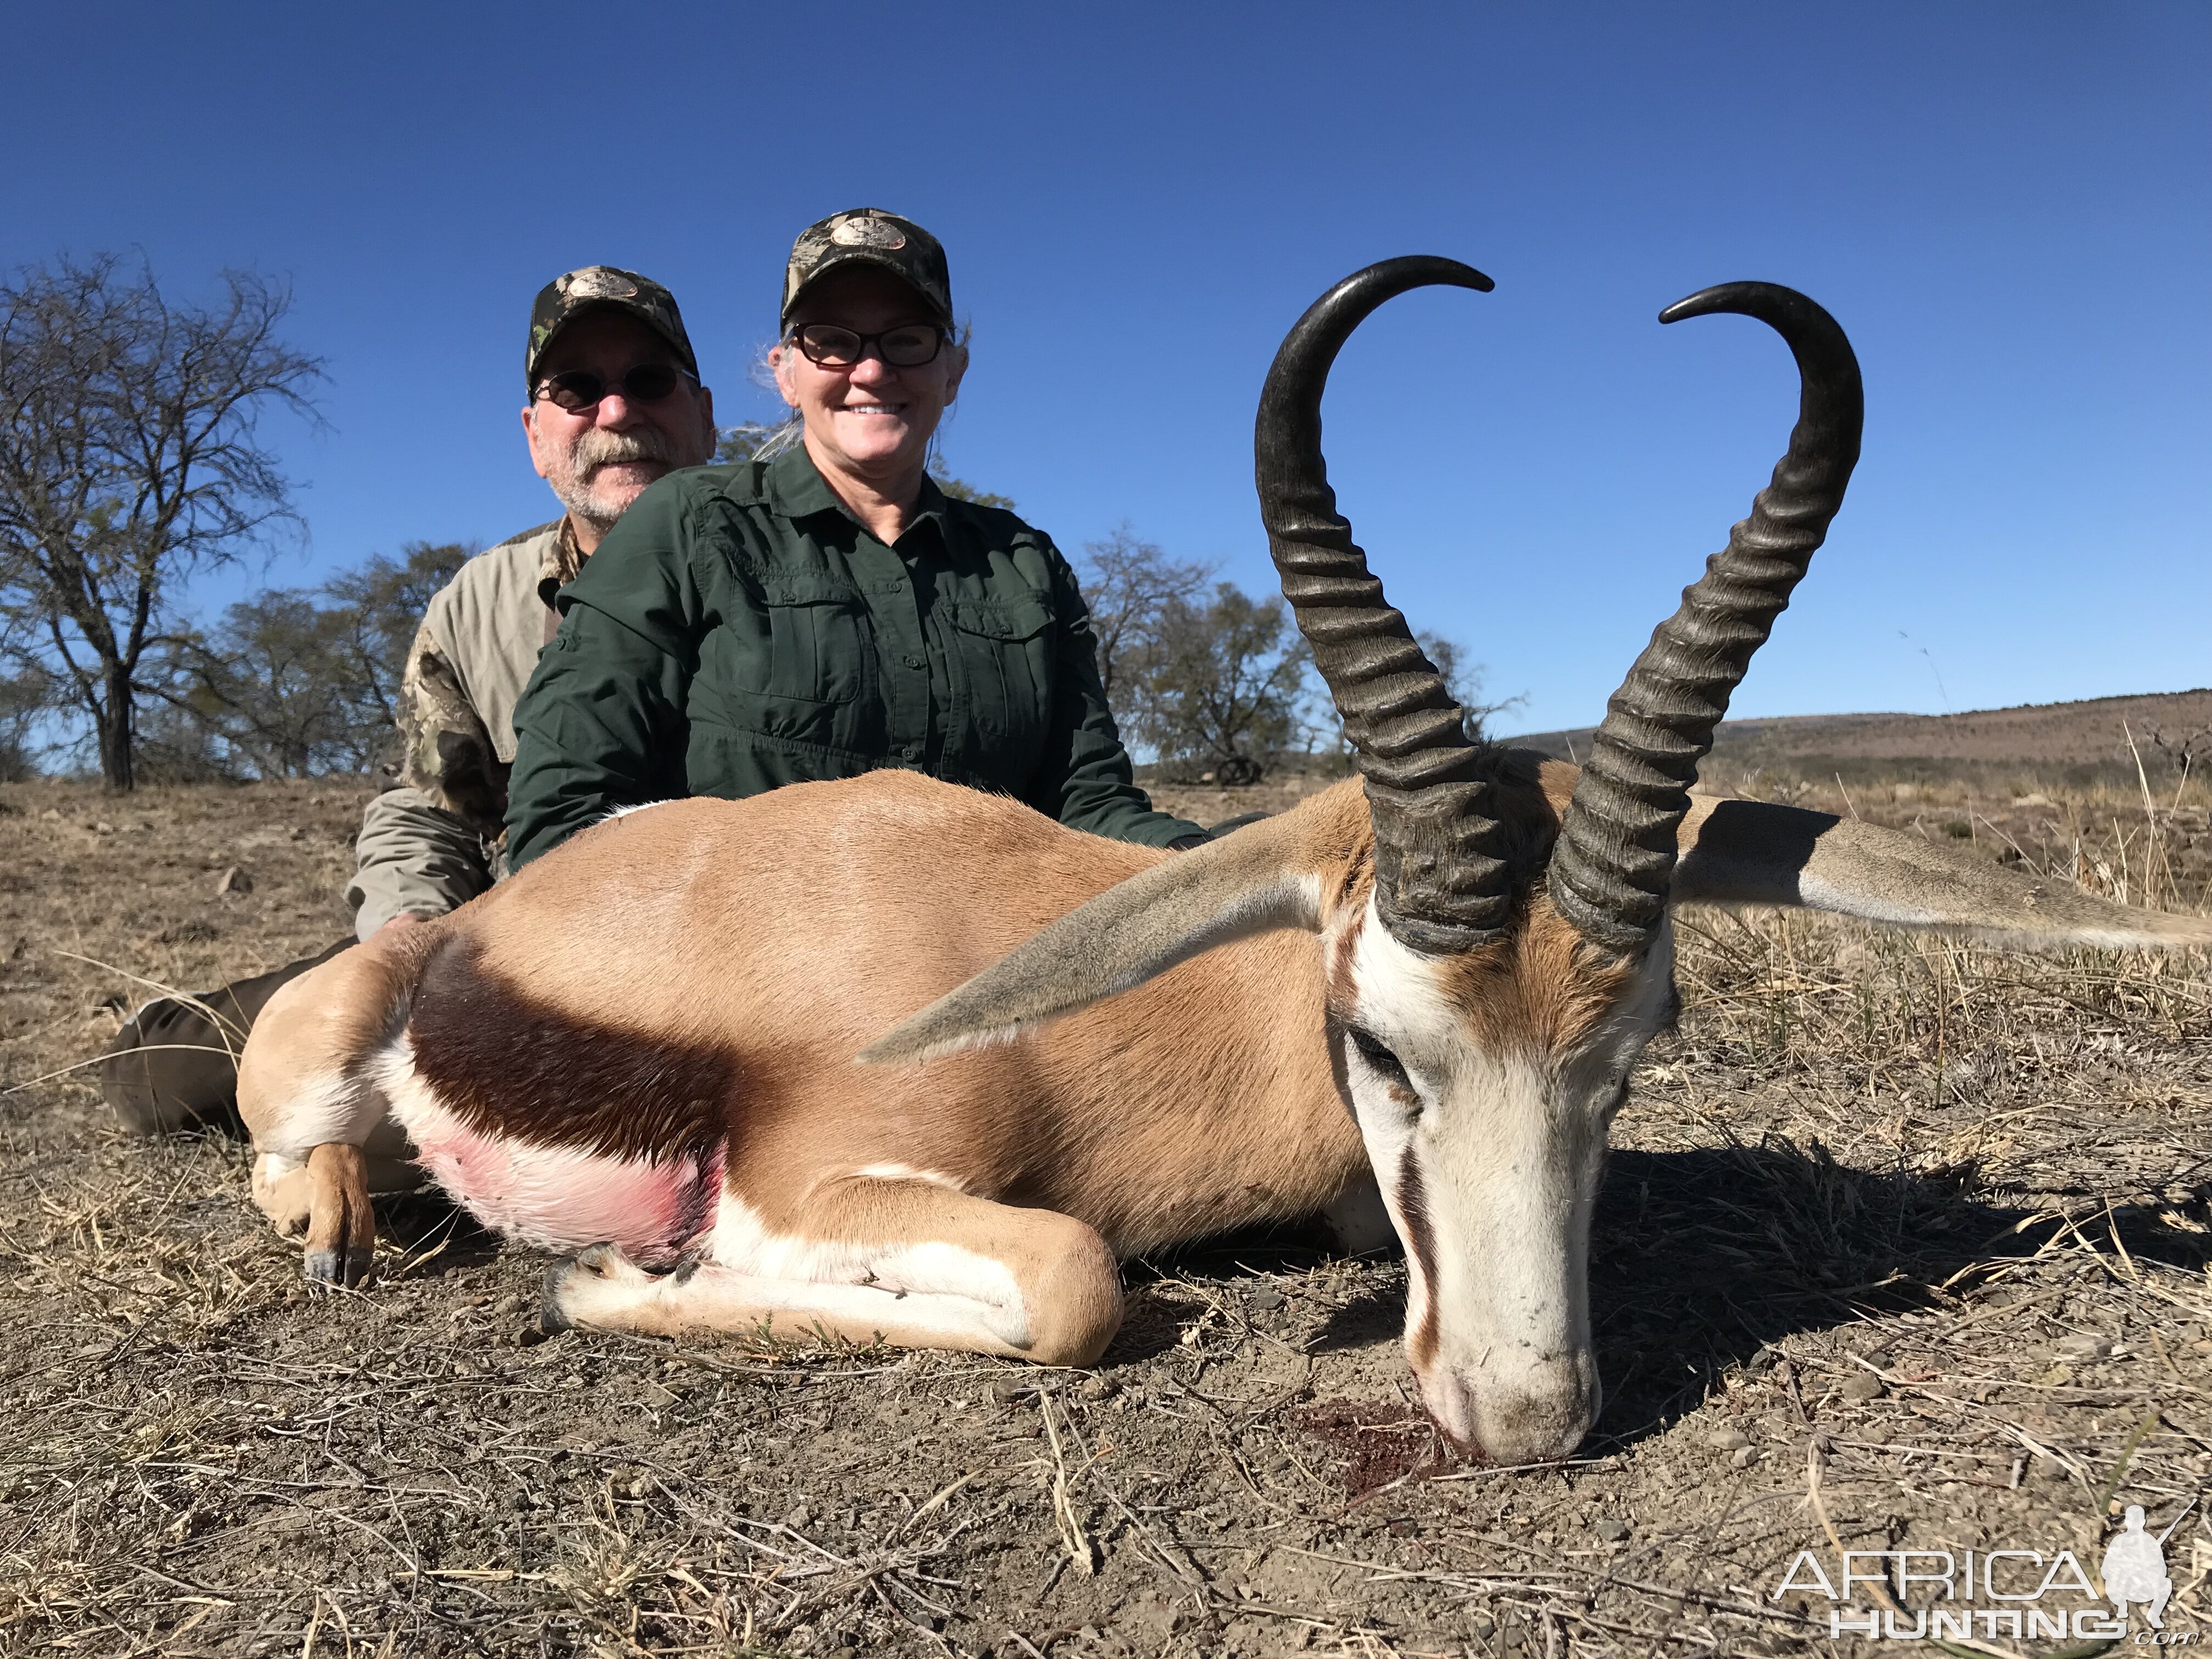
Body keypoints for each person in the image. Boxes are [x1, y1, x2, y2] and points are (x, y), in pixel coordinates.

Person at [99, 267, 718, 1136]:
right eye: (577, 389)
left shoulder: (790, 573)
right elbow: (429, 810)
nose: (616, 413)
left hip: (716, 966)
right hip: (496, 944)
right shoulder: (477, 601)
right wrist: (408, 934)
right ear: (536, 436)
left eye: (649, 380)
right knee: (155, 1074)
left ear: (705, 413)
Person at [505, 209, 1204, 868]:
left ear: (952, 371)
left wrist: (1222, 869)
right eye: (832, 342)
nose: (871, 371)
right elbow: (563, 822)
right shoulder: (687, 522)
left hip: (993, 978)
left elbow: (1091, 806)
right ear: (785, 371)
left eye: (907, 340)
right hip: (737, 984)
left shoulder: (1024, 561)